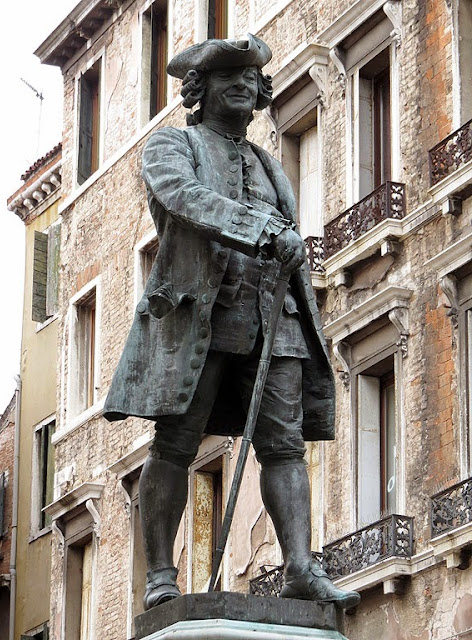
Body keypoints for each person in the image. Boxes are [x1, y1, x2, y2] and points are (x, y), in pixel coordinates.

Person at [104, 34, 360, 611]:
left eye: (251, 79)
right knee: (174, 443)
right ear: (201, 89)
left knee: (285, 445)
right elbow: (184, 198)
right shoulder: (173, 146)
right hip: (201, 315)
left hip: (277, 317)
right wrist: (266, 231)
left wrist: (290, 250)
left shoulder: (270, 164)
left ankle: (298, 565)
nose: (244, 86)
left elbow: (283, 231)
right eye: (229, 79)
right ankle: (161, 577)